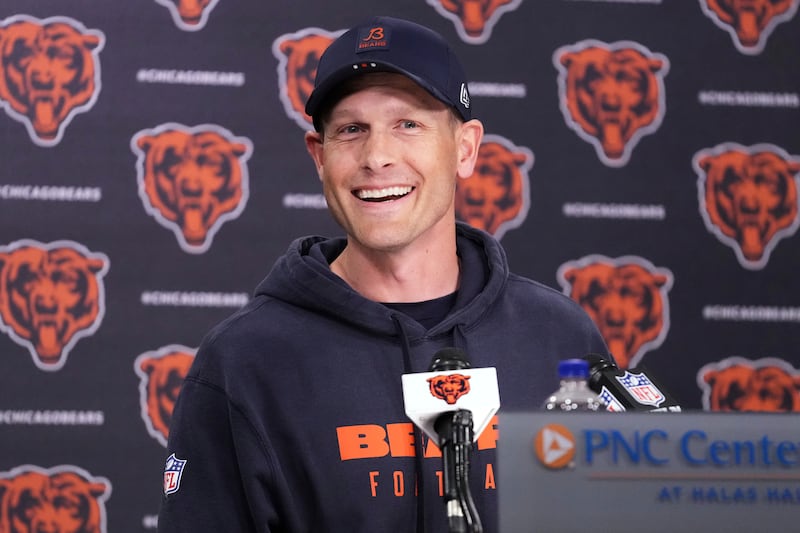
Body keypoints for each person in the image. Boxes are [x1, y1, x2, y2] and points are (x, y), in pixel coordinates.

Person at [157, 15, 609, 533]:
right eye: (351, 130)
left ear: (465, 148)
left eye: (407, 124)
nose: (377, 157)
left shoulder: (559, 336)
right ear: (320, 156)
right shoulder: (244, 361)